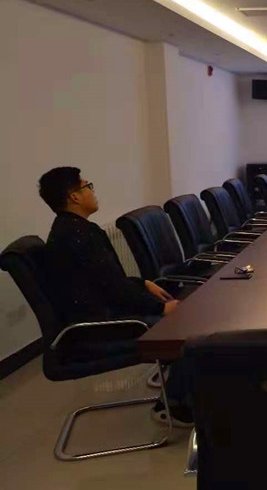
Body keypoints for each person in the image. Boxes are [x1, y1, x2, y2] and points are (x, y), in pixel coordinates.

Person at [38, 167, 192, 425]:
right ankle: (175, 406)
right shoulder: (78, 235)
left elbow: (106, 281)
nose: (92, 191)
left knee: (181, 317)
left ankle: (180, 392)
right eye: (87, 186)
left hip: (96, 319)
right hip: (98, 329)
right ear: (74, 196)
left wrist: (143, 283)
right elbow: (115, 290)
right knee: (185, 328)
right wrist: (159, 309)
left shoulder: (70, 229)